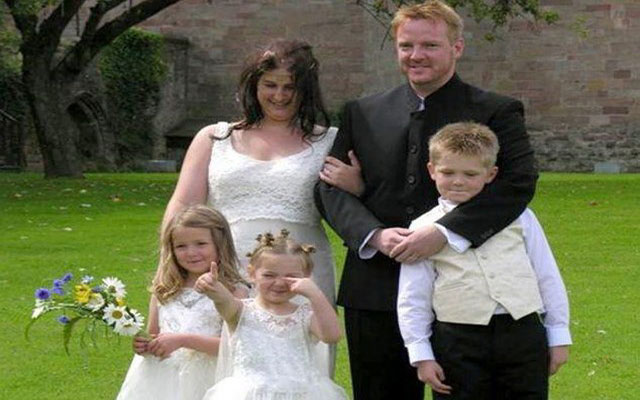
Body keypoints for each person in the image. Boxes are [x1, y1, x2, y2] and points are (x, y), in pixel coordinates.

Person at [314, 1, 539, 398]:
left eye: (430, 45)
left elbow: (516, 184)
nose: (416, 55)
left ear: (457, 47)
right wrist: (375, 236)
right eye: (406, 46)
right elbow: (328, 187)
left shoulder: (495, 111)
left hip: (466, 294)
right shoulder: (362, 112)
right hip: (377, 286)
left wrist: (442, 234)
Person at [163, 38, 360, 308]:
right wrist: (170, 263)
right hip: (225, 270)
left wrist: (358, 187)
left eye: (290, 87)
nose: (280, 95)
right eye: (270, 85)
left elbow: (358, 207)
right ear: (254, 85)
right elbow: (183, 205)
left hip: (299, 273)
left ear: (306, 91)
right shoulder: (214, 138)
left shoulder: (330, 142)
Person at [397, 122, 572, 399]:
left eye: (470, 174)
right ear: (431, 170)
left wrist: (559, 334)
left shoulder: (520, 217)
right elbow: (412, 296)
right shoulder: (422, 229)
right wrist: (421, 354)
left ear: (491, 174)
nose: (458, 181)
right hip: (457, 339)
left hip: (521, 333)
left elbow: (546, 274)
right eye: (448, 172)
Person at [195, 230, 348, 400]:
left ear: (305, 277)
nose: (279, 283)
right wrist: (214, 288)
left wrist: (315, 294)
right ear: (252, 274)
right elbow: (223, 300)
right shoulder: (240, 311)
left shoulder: (305, 315)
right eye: (269, 275)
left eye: (291, 277)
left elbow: (332, 336)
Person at [116, 205, 246, 400]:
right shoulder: (164, 288)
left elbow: (234, 347)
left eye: (200, 244)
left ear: (221, 244)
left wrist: (183, 340)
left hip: (208, 379)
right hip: (160, 378)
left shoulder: (233, 291)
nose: (191, 253)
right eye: (181, 246)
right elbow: (153, 333)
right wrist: (144, 345)